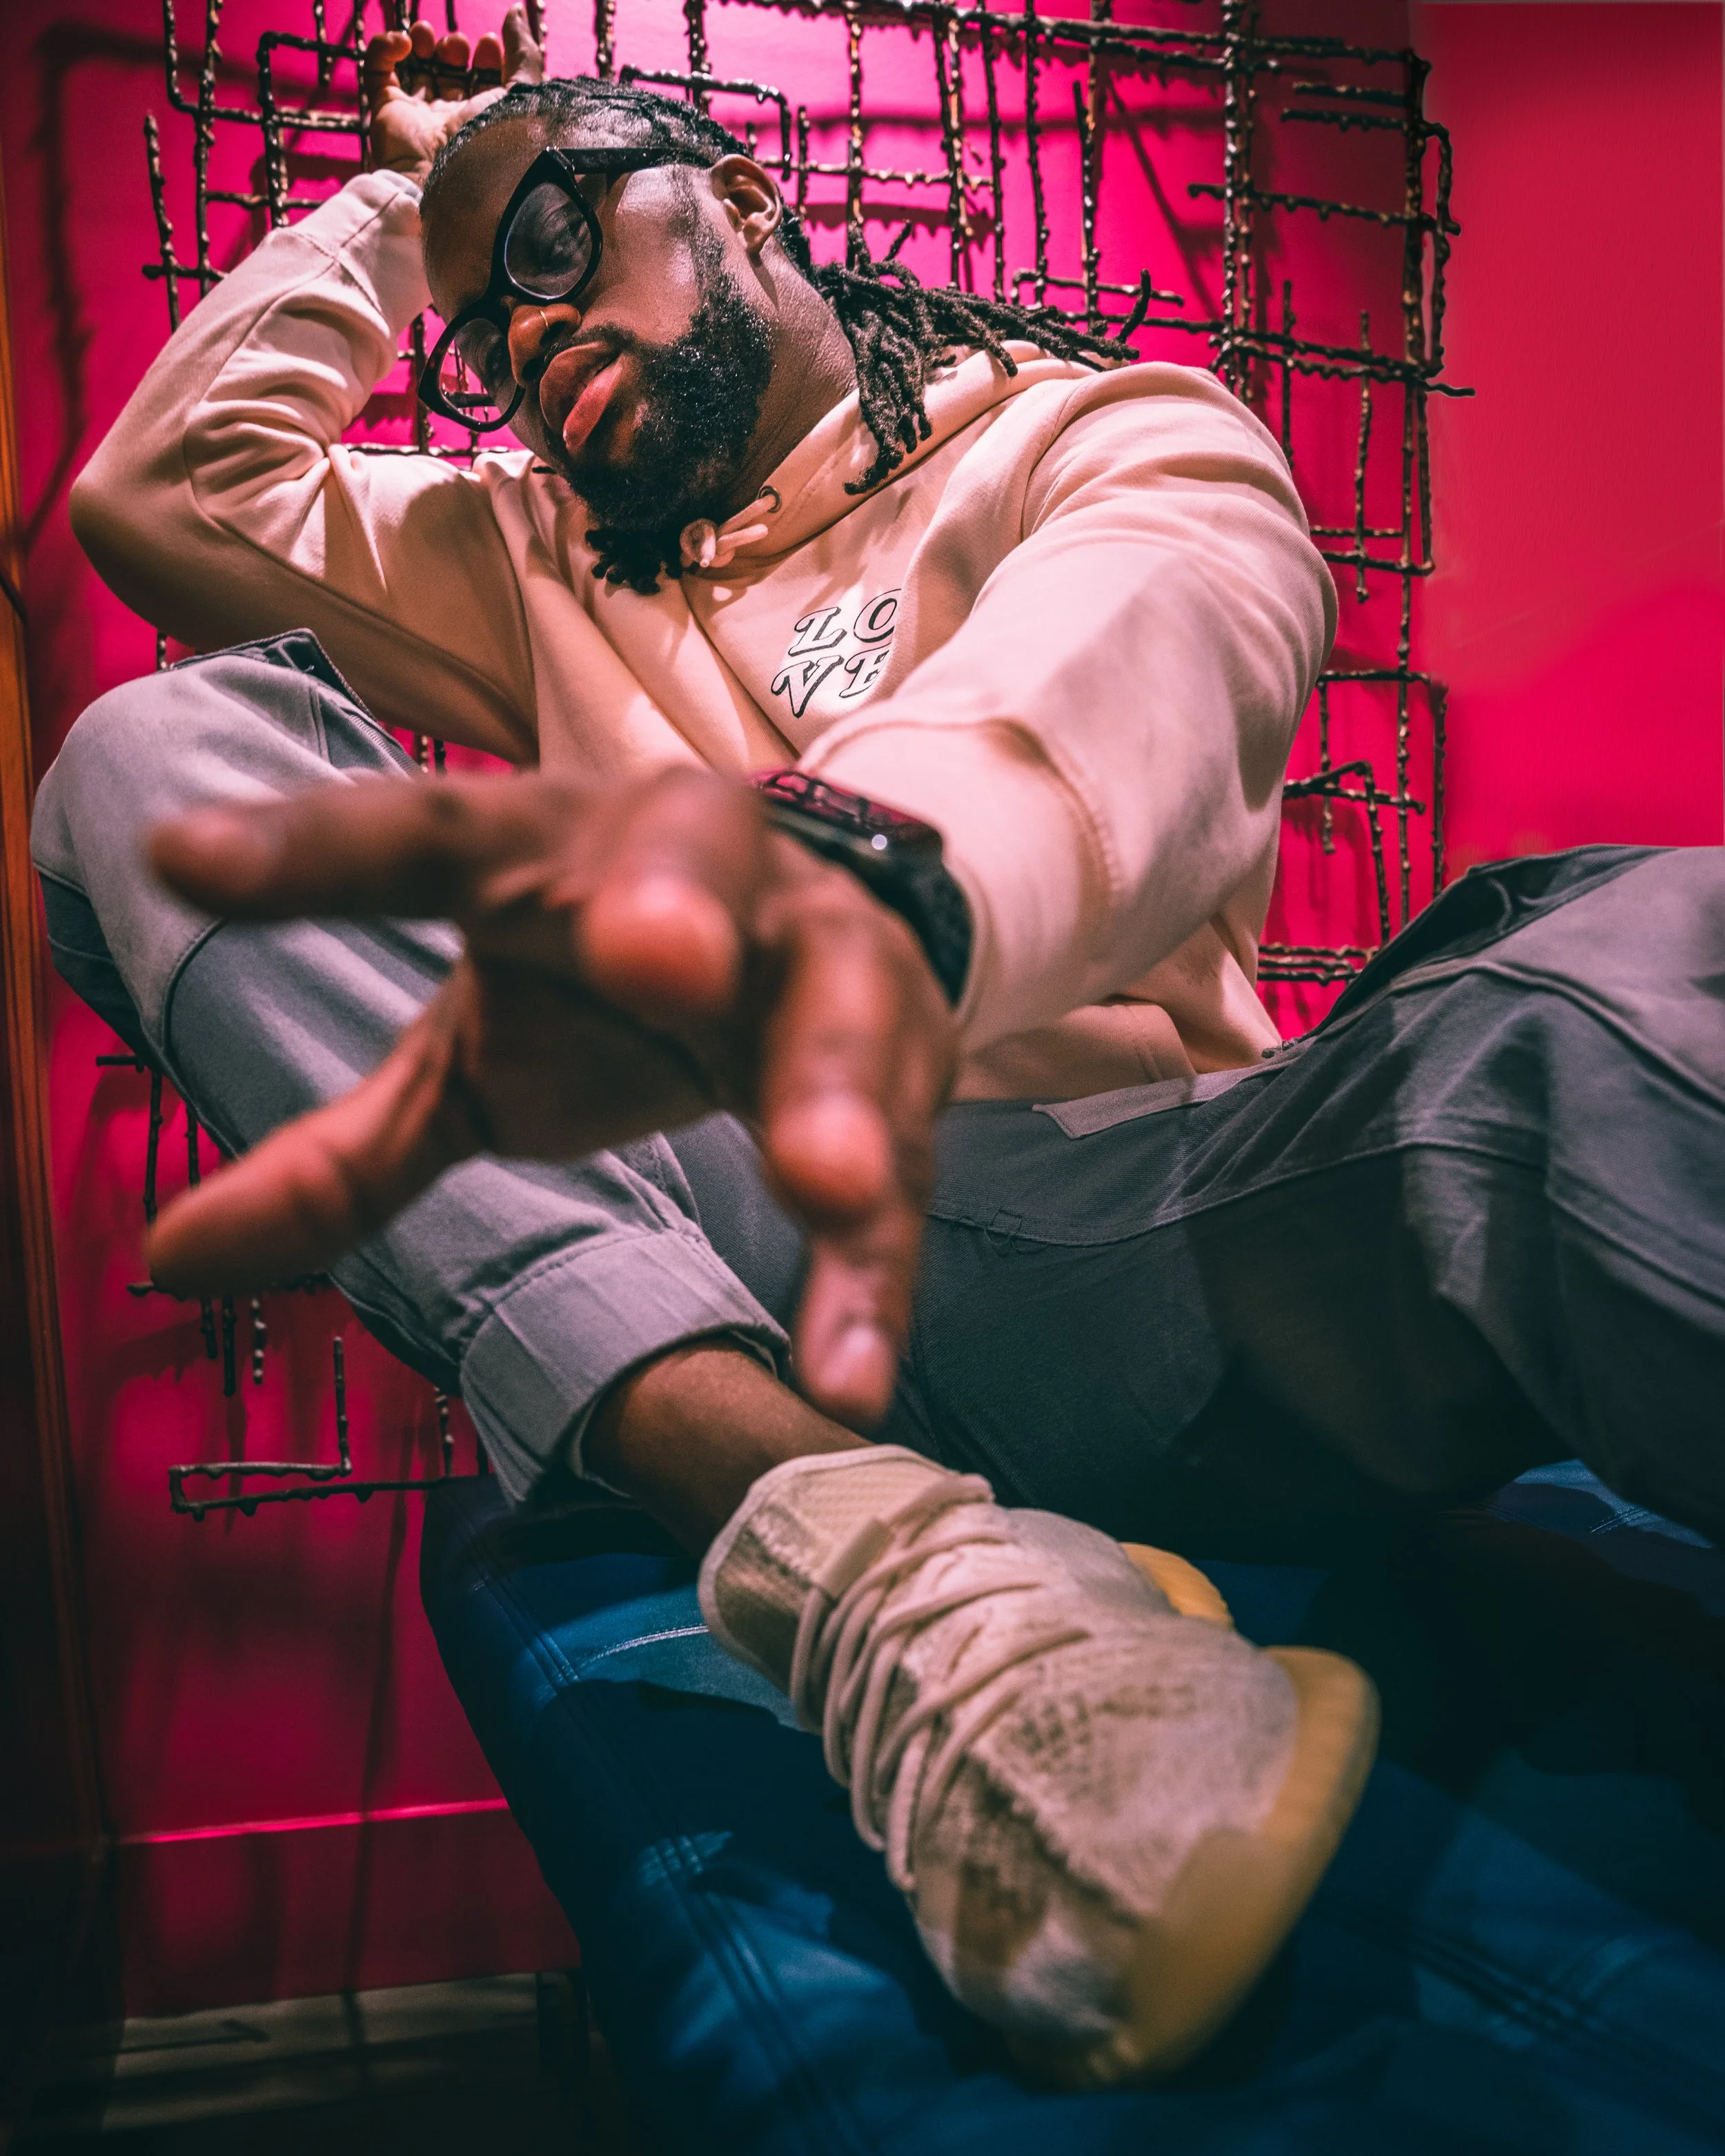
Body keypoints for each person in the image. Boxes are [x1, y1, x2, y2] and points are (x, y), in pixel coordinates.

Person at [32, 10, 1725, 2086]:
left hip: (1118, 1228)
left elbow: (1138, 648)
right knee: (153, 756)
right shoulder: (528, 555)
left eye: (560, 232)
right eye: (484, 323)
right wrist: (422, 193)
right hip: (733, 1253)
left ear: (741, 199)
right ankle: (883, 1585)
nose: (521, 328)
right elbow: (169, 494)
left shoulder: (1095, 436)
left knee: (1599, 961)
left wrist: (845, 884)